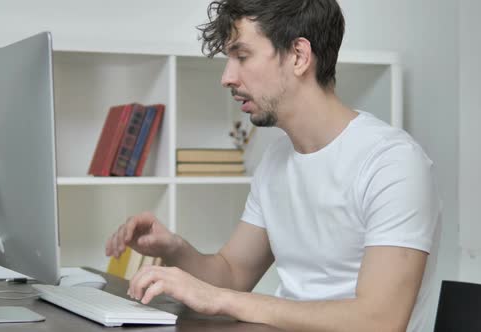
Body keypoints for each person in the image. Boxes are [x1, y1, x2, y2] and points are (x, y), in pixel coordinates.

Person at [105, 0, 441, 331]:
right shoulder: (277, 160)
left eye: (242, 56)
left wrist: (223, 299)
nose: (226, 77)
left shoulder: (392, 162)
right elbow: (232, 275)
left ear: (298, 56)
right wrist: (173, 248)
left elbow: (379, 321)